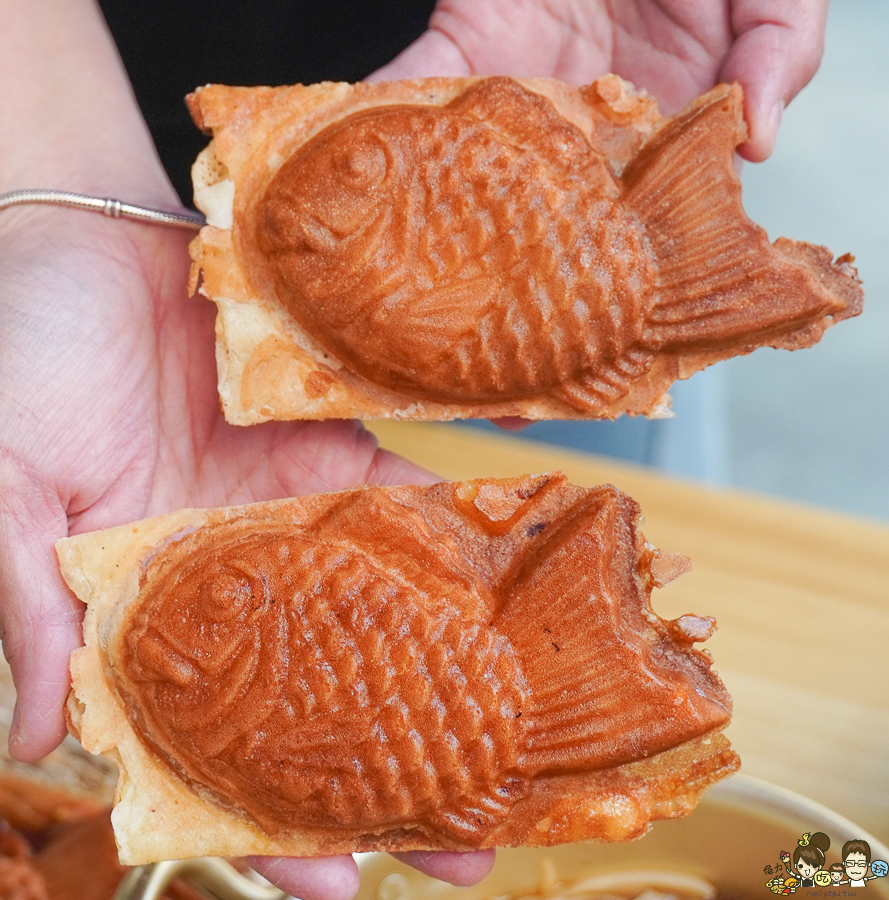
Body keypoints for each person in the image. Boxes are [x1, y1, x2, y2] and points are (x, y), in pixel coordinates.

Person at [0, 2, 829, 898]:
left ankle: (640, 294)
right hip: (82, 132)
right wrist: (43, 188)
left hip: (588, 51)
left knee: (618, 488)